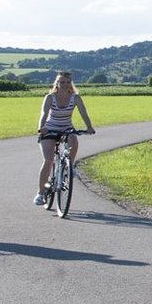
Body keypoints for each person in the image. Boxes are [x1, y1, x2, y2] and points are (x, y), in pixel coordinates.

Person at [33, 72, 96, 205]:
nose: (65, 85)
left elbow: (84, 113)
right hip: (50, 128)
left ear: (70, 84)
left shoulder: (76, 98)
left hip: (67, 127)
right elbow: (44, 114)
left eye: (67, 82)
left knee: (74, 140)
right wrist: (41, 127)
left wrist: (89, 126)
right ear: (57, 84)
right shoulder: (50, 97)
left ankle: (69, 167)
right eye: (62, 82)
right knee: (48, 160)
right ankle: (40, 193)